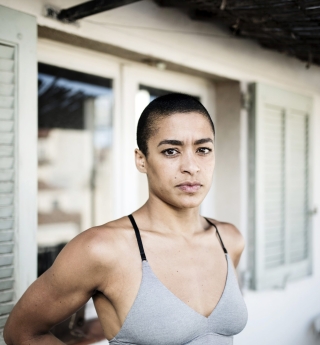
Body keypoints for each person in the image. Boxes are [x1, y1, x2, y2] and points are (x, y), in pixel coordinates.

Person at [4, 93, 247, 345]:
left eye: (203, 150)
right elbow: (21, 332)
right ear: (141, 159)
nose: (191, 166)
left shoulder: (229, 238)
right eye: (171, 151)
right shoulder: (102, 248)